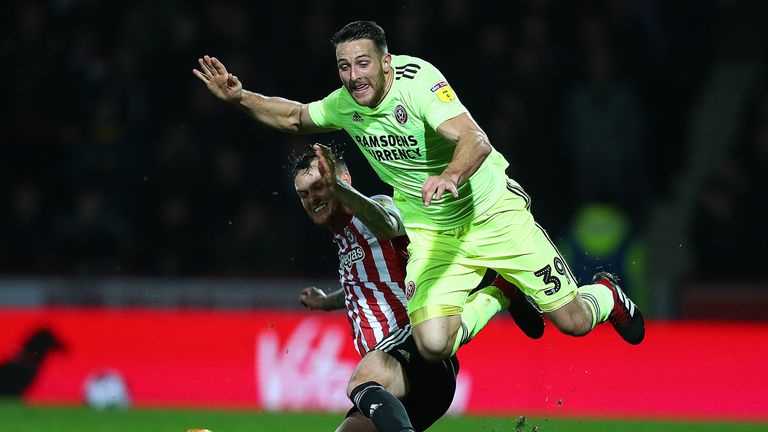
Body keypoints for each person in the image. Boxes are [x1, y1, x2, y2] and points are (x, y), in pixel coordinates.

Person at [193, 20, 644, 365]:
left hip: (492, 213)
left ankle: (607, 293)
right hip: (433, 230)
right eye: (344, 66)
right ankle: (499, 291)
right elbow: (294, 117)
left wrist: (451, 175)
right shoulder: (346, 103)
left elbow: (475, 139)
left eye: (363, 63)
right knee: (431, 345)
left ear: (386, 62)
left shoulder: (419, 83)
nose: (353, 76)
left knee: (574, 322)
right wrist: (239, 98)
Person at [291, 144, 542, 432]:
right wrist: (327, 302)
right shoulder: (344, 238)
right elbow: (364, 288)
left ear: (343, 181)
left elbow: (389, 221)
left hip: (411, 347)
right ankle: (503, 291)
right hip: (396, 384)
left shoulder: (376, 208)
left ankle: (502, 291)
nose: (313, 199)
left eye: (320, 187)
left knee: (360, 382)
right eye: (304, 194)